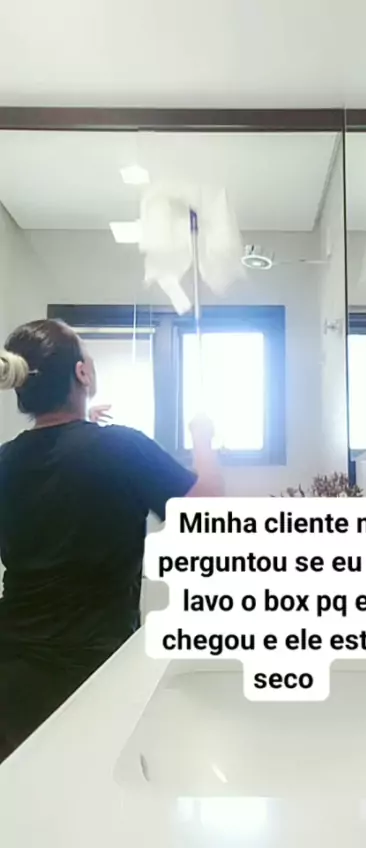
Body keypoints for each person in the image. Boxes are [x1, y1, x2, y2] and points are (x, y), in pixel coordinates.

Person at [0, 318, 223, 762]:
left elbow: (54, 495)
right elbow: (208, 515)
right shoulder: (120, 448)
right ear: (82, 373)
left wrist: (84, 427)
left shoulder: (5, 460)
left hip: (13, 667)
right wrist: (203, 439)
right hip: (92, 670)